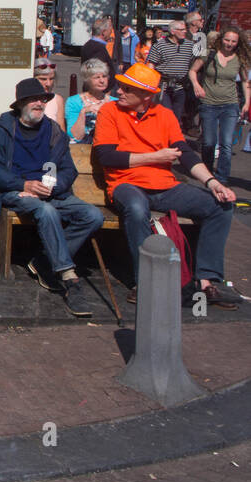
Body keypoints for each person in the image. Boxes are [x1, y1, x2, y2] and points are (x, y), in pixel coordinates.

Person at [92, 64, 239, 308]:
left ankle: (205, 280)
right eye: (121, 86)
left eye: (127, 88)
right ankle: (144, 282)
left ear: (146, 96)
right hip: (126, 184)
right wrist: (154, 157)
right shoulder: (109, 112)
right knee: (137, 209)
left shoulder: (165, 116)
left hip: (165, 186)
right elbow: (106, 157)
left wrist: (213, 183)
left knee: (220, 205)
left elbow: (186, 155)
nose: (119, 91)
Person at [0, 78, 104, 317]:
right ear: (20, 104)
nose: (40, 103)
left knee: (93, 215)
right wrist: (23, 184)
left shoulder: (53, 131)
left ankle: (45, 261)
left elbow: (69, 170)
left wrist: (54, 186)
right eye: (34, 99)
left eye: (43, 99)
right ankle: (70, 278)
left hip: (51, 192)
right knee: (45, 211)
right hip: (17, 192)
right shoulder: (2, 131)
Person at [190, 26, 248, 183]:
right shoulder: (209, 54)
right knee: (209, 142)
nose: (229, 44)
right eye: (227, 40)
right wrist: (196, 85)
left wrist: (247, 102)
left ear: (238, 42)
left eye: (233, 41)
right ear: (221, 39)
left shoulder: (239, 59)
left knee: (226, 144)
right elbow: (193, 71)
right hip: (209, 104)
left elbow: (245, 81)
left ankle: (222, 177)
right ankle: (207, 172)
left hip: (230, 105)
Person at [146, 20, 195, 122]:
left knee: (176, 117)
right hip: (164, 87)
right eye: (181, 30)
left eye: (185, 29)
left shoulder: (190, 45)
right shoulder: (160, 46)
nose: (185, 31)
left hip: (181, 86)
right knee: (166, 115)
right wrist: (151, 85)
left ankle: (173, 137)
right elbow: (151, 65)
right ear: (172, 31)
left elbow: (199, 60)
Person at [64, 59, 116, 144]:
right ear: (87, 80)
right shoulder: (74, 102)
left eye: (104, 76)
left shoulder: (115, 102)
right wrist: (83, 112)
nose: (102, 81)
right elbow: (75, 136)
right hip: (82, 149)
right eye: (97, 77)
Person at [33, 58, 66, 131]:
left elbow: (61, 132)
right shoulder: (25, 99)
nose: (48, 84)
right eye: (43, 79)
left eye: (51, 79)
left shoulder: (57, 99)